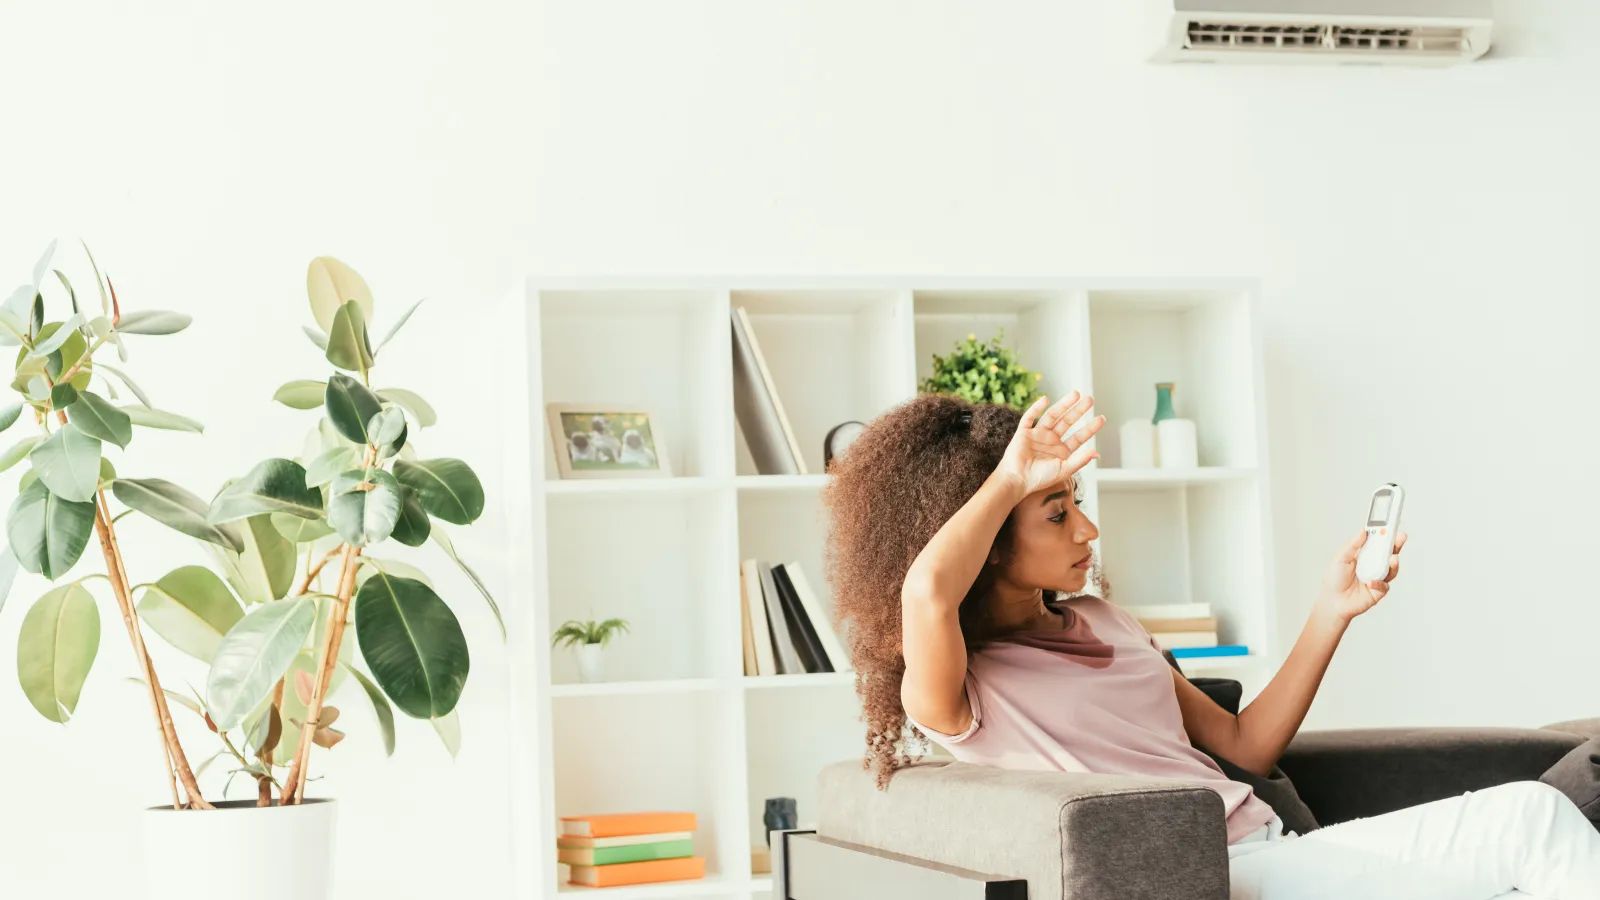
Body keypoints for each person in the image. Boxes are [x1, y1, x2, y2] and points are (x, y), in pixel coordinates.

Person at [823, 392, 1600, 900]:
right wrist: (1007, 477)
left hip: (1278, 850)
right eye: (1056, 514)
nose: (1086, 530)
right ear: (989, 539)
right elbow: (926, 592)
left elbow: (1242, 744)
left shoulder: (1106, 620)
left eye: (1076, 504)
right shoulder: (958, 691)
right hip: (1218, 878)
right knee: (1532, 821)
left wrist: (1333, 613)